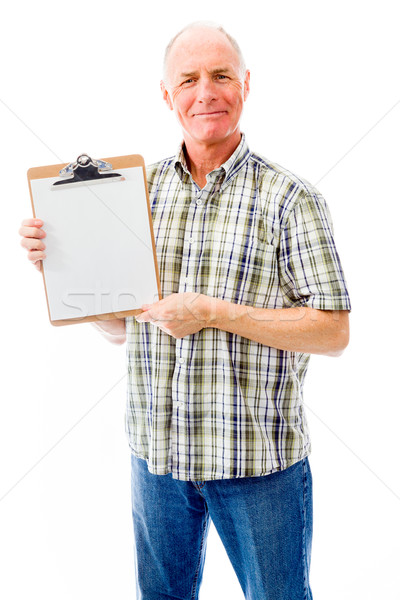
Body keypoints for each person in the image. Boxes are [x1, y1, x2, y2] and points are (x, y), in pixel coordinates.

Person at [19, 21, 351, 600]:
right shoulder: (132, 191)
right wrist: (69, 272)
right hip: (157, 460)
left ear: (245, 84)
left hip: (256, 463)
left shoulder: (292, 200)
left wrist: (214, 312)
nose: (207, 93)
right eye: (189, 79)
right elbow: (121, 328)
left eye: (221, 75)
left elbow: (334, 331)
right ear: (167, 96)